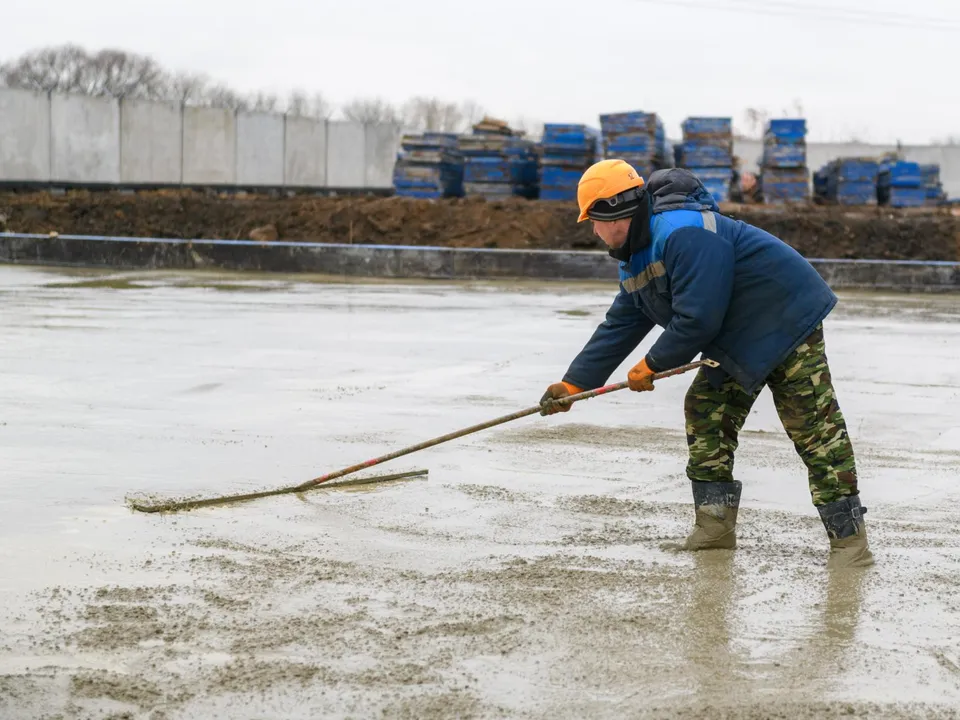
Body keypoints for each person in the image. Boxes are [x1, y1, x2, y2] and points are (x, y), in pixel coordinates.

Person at [539, 160, 873, 569]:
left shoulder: (684, 232)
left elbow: (698, 317)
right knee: (707, 412)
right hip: (733, 336)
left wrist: (654, 363)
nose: (593, 230)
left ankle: (850, 543)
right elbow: (623, 321)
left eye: (594, 219)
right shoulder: (635, 254)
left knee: (814, 429)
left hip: (784, 319)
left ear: (613, 211)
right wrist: (574, 384)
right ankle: (714, 529)